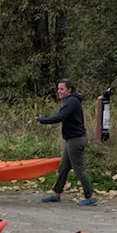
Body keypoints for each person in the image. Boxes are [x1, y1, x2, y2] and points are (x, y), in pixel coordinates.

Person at [36, 78, 96, 206]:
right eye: (58, 89)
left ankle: (90, 196)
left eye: (62, 89)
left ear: (69, 90)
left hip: (76, 140)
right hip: (71, 139)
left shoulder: (71, 102)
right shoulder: (70, 101)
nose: (59, 91)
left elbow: (60, 117)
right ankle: (56, 194)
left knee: (79, 168)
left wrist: (43, 120)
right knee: (63, 168)